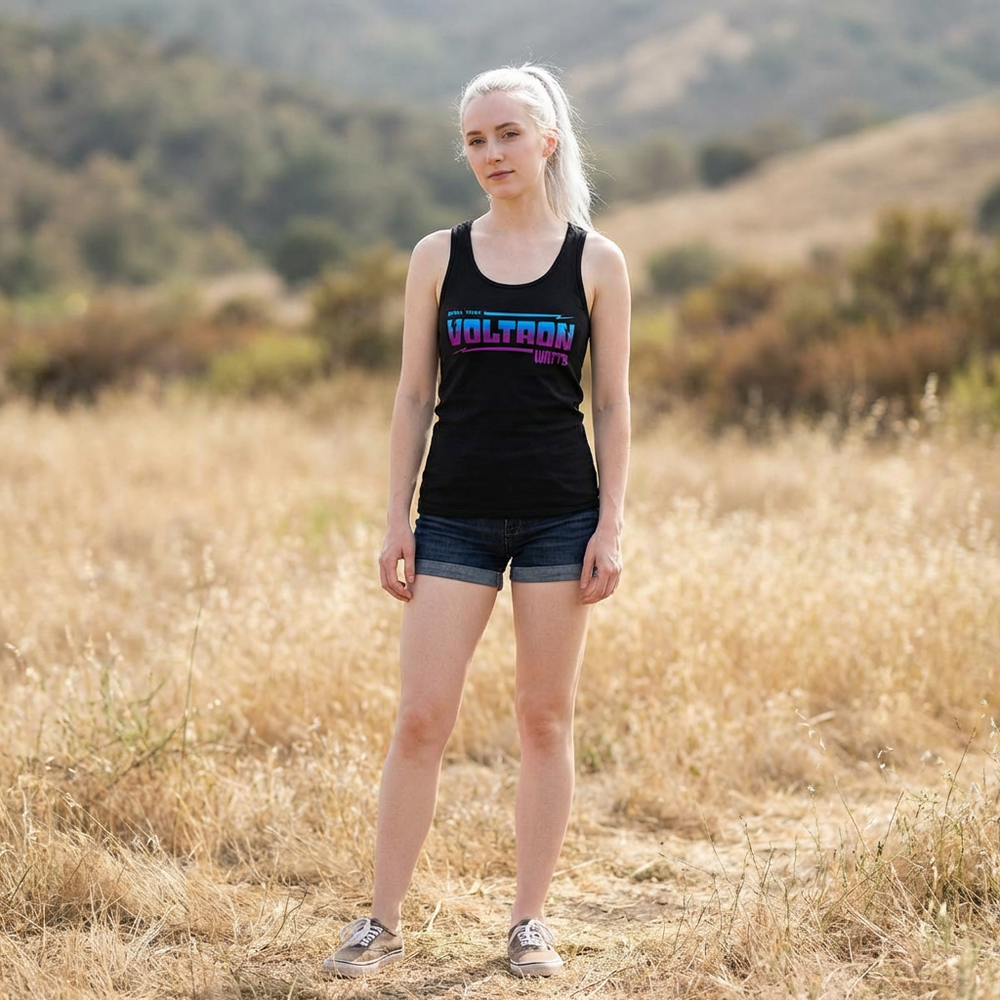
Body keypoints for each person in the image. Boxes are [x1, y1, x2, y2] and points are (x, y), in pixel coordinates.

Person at [323, 63, 631, 979]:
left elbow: (613, 405)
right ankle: (381, 922)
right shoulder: (437, 256)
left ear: (547, 141)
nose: (491, 152)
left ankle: (529, 922)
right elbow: (412, 395)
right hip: (452, 516)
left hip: (559, 519)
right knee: (421, 718)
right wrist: (396, 518)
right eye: (474, 139)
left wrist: (611, 525)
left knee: (544, 719)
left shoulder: (597, 262)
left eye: (507, 134)